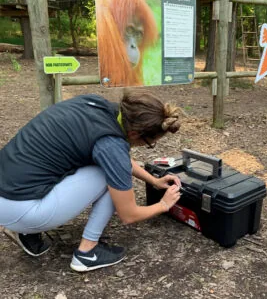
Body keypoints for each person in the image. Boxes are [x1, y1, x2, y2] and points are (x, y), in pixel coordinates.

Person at [0, 89, 182, 272]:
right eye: (150, 143)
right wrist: (164, 204)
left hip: (8, 190)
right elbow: (129, 215)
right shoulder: (110, 144)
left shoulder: (94, 104)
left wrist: (153, 181)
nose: (148, 146)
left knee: (104, 166)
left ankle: (27, 232)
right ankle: (87, 253)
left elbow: (116, 156)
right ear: (135, 134)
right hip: (23, 209)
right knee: (108, 173)